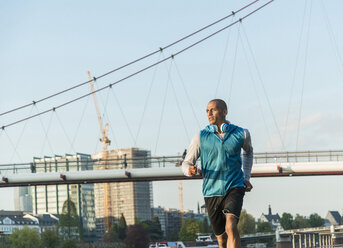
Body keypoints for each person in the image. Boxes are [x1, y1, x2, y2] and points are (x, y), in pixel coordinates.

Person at [182, 99, 253, 248]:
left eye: (213, 110)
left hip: (235, 186)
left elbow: (248, 153)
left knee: (231, 225)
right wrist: (189, 170)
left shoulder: (242, 133)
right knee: (221, 239)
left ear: (224, 111)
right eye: (207, 111)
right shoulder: (200, 136)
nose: (209, 113)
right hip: (211, 190)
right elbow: (186, 163)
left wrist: (246, 177)